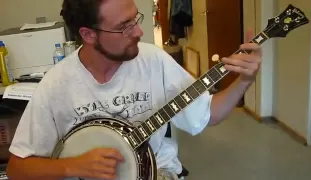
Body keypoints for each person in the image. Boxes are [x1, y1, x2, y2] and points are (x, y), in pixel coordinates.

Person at [6, 0, 262, 179]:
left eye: (135, 19)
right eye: (123, 26)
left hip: (158, 171)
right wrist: (74, 166)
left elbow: (209, 114)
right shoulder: (56, 85)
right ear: (88, 34)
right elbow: (17, 169)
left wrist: (243, 82)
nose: (139, 32)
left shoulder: (154, 61)